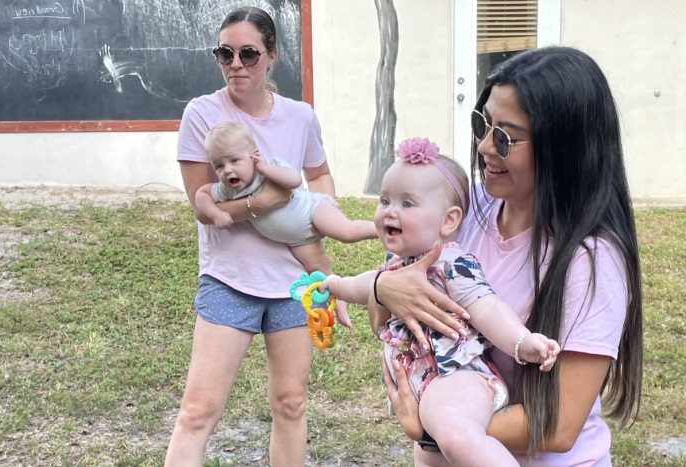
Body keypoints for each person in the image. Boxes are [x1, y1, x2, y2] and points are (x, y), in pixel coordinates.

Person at [370, 47, 643, 466]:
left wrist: (432, 427)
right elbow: (385, 318)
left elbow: (558, 426)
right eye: (483, 124)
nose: (483, 146)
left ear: (562, 148)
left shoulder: (593, 260)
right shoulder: (465, 211)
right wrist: (383, 287)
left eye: (505, 137)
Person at [165, 7, 353, 466]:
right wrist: (259, 206)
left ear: (272, 56)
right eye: (224, 53)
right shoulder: (202, 115)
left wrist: (318, 216)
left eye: (249, 53)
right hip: (230, 280)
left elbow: (320, 174)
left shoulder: (300, 117)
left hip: (293, 285)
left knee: (291, 403)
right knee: (198, 410)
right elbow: (203, 208)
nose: (236, 64)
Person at [321, 137, 561, 466]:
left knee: (456, 433)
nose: (390, 211)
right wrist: (336, 285)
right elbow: (367, 286)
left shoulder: (449, 263)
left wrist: (522, 342)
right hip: (425, 386)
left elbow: (487, 308)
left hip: (455, 376)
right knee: (430, 456)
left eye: (407, 203)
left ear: (448, 220)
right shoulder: (395, 264)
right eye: (385, 199)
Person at [195, 121, 377, 274]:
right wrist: (215, 214)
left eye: (234, 161)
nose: (227, 170)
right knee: (320, 271)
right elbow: (201, 194)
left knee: (346, 233)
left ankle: (383, 230)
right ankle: (340, 304)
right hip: (297, 240)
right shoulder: (228, 190)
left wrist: (266, 169)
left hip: (311, 210)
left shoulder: (270, 168)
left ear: (254, 155)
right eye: (219, 166)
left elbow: (295, 180)